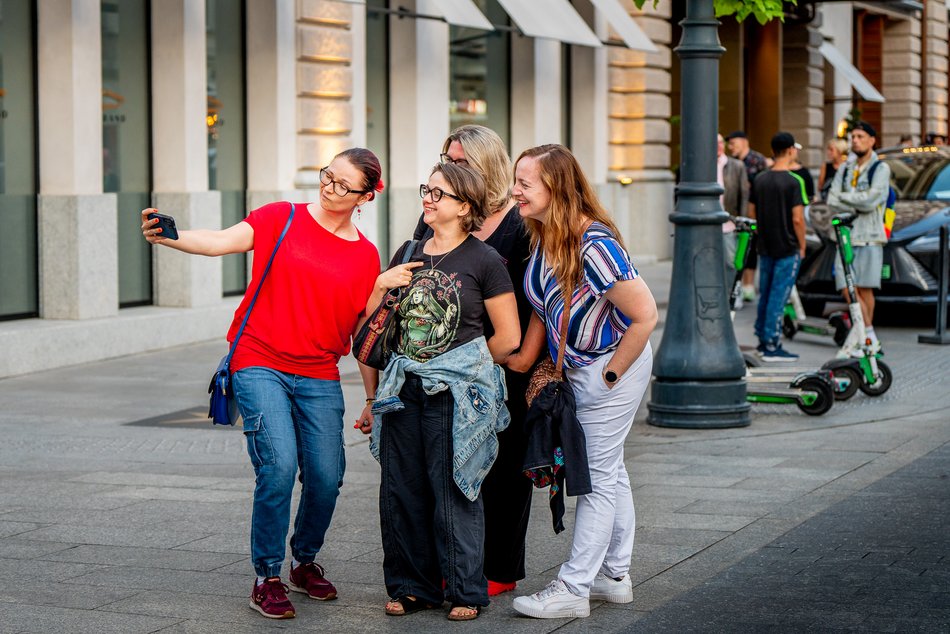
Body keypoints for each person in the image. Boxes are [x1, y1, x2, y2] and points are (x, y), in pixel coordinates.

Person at [141, 148, 384, 620]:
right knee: (277, 467)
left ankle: (304, 561)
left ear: (366, 196)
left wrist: (372, 398)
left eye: (342, 185)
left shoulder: (365, 255)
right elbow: (220, 241)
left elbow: (362, 334)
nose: (328, 187)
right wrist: (171, 236)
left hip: (318, 372)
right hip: (259, 360)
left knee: (327, 476)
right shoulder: (282, 217)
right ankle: (266, 575)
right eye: (326, 176)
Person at [506, 144, 657, 619]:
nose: (515, 191)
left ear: (556, 188)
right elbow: (543, 307)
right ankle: (615, 576)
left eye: (525, 183)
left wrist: (609, 376)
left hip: (611, 366)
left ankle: (574, 587)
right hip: (583, 368)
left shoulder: (595, 245)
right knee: (611, 471)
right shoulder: (544, 237)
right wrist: (525, 358)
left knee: (594, 479)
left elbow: (645, 315)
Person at [366, 162, 521, 621]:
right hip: (402, 391)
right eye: (426, 190)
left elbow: (508, 337)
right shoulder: (407, 252)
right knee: (401, 490)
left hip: (455, 396)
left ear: (464, 206)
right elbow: (374, 327)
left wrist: (462, 369)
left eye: (438, 193)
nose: (427, 199)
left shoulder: (484, 261)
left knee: (455, 488)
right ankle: (410, 587)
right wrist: (380, 285)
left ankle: (465, 590)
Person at [412, 125, 534, 597]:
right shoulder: (435, 215)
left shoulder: (519, 223)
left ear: (489, 166)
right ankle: (454, 563)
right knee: (448, 468)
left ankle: (499, 568)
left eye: (462, 159)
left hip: (502, 361)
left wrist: (526, 356)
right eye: (447, 157)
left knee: (503, 469)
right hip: (445, 371)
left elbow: (541, 296)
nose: (451, 165)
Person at [826, 121, 890, 355]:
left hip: (870, 236)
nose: (855, 141)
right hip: (845, 237)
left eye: (860, 137)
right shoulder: (845, 167)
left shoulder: (880, 169)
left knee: (864, 289)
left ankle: (863, 339)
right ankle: (869, 334)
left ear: (872, 140)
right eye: (853, 137)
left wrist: (847, 198)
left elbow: (871, 201)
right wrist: (856, 199)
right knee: (846, 287)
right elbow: (831, 199)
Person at [747, 132, 806, 362]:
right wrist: (801, 246)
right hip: (787, 247)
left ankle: (763, 338)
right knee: (778, 296)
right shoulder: (794, 181)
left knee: (766, 293)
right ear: (791, 150)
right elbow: (798, 219)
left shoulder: (760, 179)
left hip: (766, 245)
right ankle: (772, 344)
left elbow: (751, 214)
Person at [726, 130, 770, 304]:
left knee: (750, 249)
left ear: (744, 142)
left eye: (733, 143)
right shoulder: (733, 163)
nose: (731, 147)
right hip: (736, 212)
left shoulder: (757, 161)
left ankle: (748, 286)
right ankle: (741, 285)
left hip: (753, 212)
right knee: (740, 249)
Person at [718, 133, 750, 304]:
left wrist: (741, 221)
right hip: (707, 225)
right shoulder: (703, 165)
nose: (718, 146)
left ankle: (732, 294)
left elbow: (744, 195)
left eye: (720, 143)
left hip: (729, 223)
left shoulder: (736, 166)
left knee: (730, 262)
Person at [819, 138, 849, 202]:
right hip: (827, 202)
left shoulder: (848, 167)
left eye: (831, 150)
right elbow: (820, 187)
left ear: (839, 151)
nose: (828, 152)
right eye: (828, 149)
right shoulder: (825, 166)